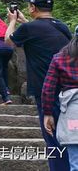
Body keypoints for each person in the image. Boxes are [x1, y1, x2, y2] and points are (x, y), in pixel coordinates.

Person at [5, 0, 72, 171]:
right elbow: (42, 32)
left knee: (53, 139)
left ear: (33, 7)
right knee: (71, 138)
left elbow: (8, 41)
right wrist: (26, 22)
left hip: (47, 93)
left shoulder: (29, 29)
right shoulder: (62, 26)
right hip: (71, 93)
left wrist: (12, 22)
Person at [42, 26, 78, 171]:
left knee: (75, 162)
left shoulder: (61, 57)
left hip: (72, 114)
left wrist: (48, 113)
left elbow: (48, 88)